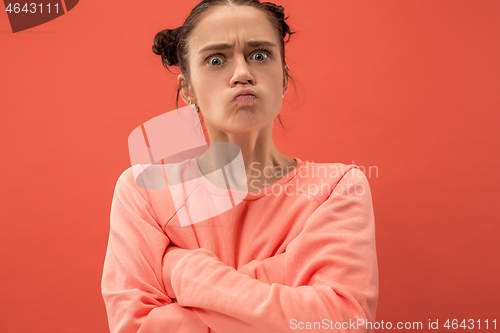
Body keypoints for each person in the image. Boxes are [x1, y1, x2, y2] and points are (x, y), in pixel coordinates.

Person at [101, 1, 379, 332]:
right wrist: (281, 275)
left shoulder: (337, 188)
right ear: (187, 89)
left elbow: (341, 322)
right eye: (216, 60)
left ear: (284, 78)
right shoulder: (143, 191)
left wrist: (182, 270)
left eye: (259, 55)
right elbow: (135, 328)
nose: (242, 74)